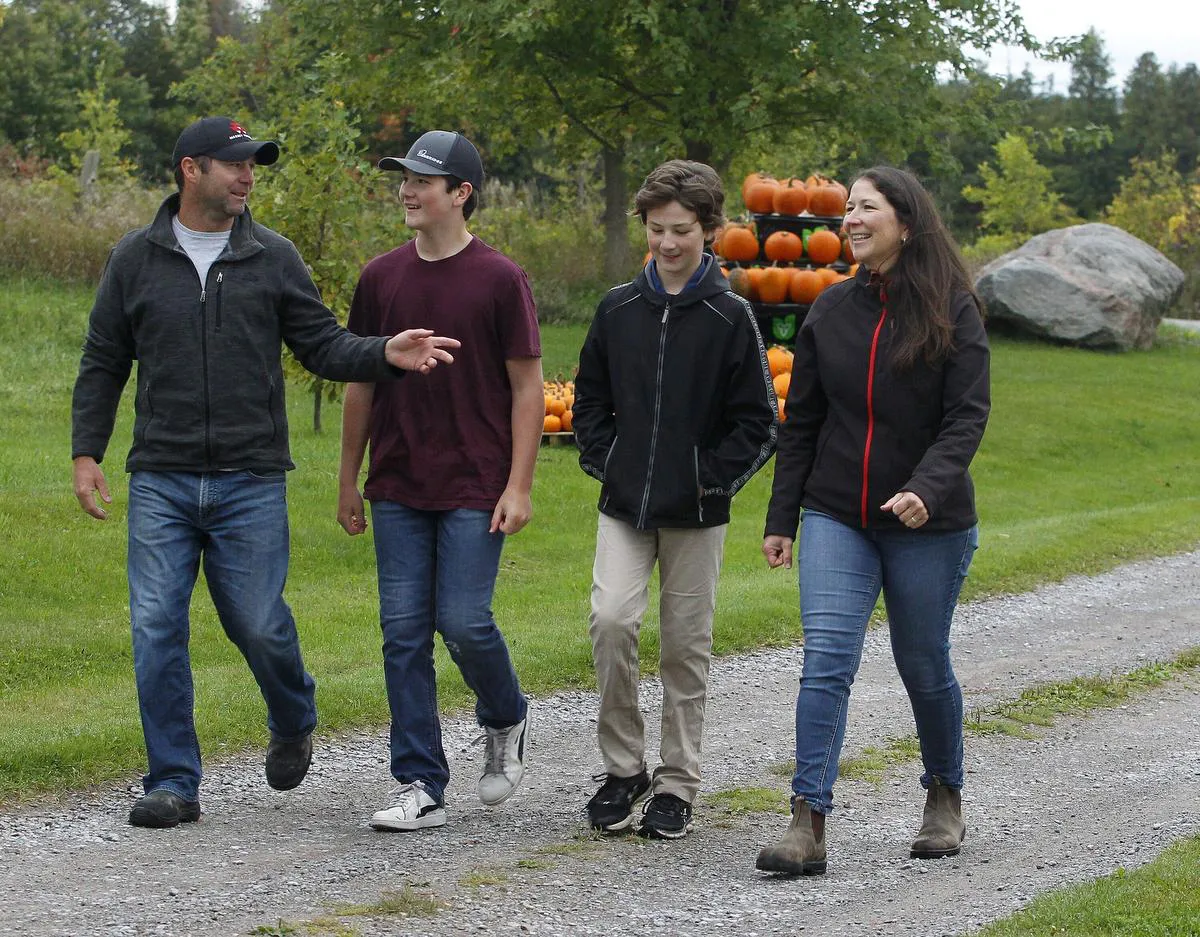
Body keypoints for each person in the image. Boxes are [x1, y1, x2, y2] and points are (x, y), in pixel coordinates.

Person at [70, 116, 460, 830]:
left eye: (254, 164)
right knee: (156, 624)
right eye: (234, 163)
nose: (248, 175)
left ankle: (293, 710)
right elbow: (103, 359)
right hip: (162, 474)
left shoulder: (272, 257)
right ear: (191, 170)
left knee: (256, 621)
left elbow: (322, 344)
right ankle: (173, 780)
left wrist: (383, 352)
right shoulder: (136, 258)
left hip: (251, 477)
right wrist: (86, 452)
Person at [755, 166, 990, 876]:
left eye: (867, 208)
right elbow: (803, 423)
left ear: (906, 223)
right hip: (837, 514)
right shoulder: (830, 310)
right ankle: (807, 821)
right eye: (848, 208)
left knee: (922, 661)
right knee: (826, 659)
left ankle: (943, 796)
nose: (850, 219)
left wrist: (927, 486)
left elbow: (966, 416)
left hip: (930, 521)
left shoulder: (953, 308)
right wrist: (783, 515)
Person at [337, 130, 543, 832]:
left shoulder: (498, 279)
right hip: (396, 481)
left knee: (462, 620)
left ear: (461, 193)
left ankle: (505, 713)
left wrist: (519, 484)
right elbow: (361, 385)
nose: (408, 189)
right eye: (404, 177)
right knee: (401, 632)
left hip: (474, 481)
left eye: (425, 180)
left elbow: (527, 388)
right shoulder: (381, 278)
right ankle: (419, 779)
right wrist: (347, 480)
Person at [573, 159, 778, 839]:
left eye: (682, 230)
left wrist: (706, 478)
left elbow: (759, 423)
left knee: (685, 647)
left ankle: (677, 781)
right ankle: (623, 767)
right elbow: (590, 401)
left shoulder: (730, 316)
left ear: (711, 230)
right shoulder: (618, 309)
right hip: (625, 506)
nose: (667, 243)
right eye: (657, 229)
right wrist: (610, 462)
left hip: (697, 511)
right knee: (610, 620)